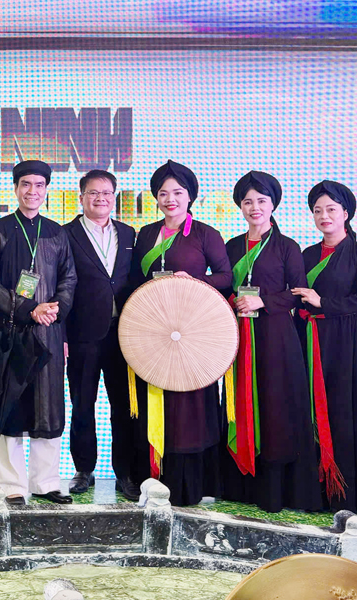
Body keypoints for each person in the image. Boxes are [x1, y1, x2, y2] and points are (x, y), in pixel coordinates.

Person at [127, 160, 232, 506]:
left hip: (192, 336)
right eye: (163, 193)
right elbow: (134, 281)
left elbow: (226, 277)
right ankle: (152, 479)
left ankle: (189, 486)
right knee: (155, 402)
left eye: (177, 192)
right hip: (153, 335)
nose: (170, 199)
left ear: (190, 196)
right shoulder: (146, 234)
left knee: (190, 408)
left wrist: (194, 280)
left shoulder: (204, 233)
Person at [218, 171, 322, 513]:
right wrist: (232, 301)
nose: (254, 208)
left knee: (275, 407)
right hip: (238, 336)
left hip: (276, 337)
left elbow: (298, 292)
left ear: (273, 204)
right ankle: (240, 486)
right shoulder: (231, 246)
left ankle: (275, 490)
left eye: (261, 201)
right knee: (239, 402)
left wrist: (262, 301)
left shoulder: (287, 246)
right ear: (240, 206)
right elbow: (224, 285)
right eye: (247, 201)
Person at [291, 180, 357, 513]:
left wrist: (324, 302)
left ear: (346, 213)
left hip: (345, 342)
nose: (324, 216)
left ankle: (347, 493)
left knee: (343, 409)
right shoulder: (307, 254)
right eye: (317, 210)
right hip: (309, 338)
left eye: (331, 209)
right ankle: (312, 490)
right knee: (307, 408)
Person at [0, 160, 78, 505]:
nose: (32, 191)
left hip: (48, 333)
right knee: (10, 407)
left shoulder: (57, 233)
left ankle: (46, 482)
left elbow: (69, 279)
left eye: (39, 185)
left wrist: (53, 310)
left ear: (46, 190)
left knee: (48, 409)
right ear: (16, 188)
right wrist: (28, 309)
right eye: (25, 184)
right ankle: (11, 485)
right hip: (8, 333)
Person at [62, 169, 140, 500]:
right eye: (93, 193)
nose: (100, 198)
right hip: (82, 333)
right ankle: (84, 469)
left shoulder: (128, 233)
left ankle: (125, 472)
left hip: (123, 333)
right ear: (81, 197)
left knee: (123, 405)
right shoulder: (65, 234)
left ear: (114, 197)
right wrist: (61, 335)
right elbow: (57, 283)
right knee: (82, 404)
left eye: (107, 193)